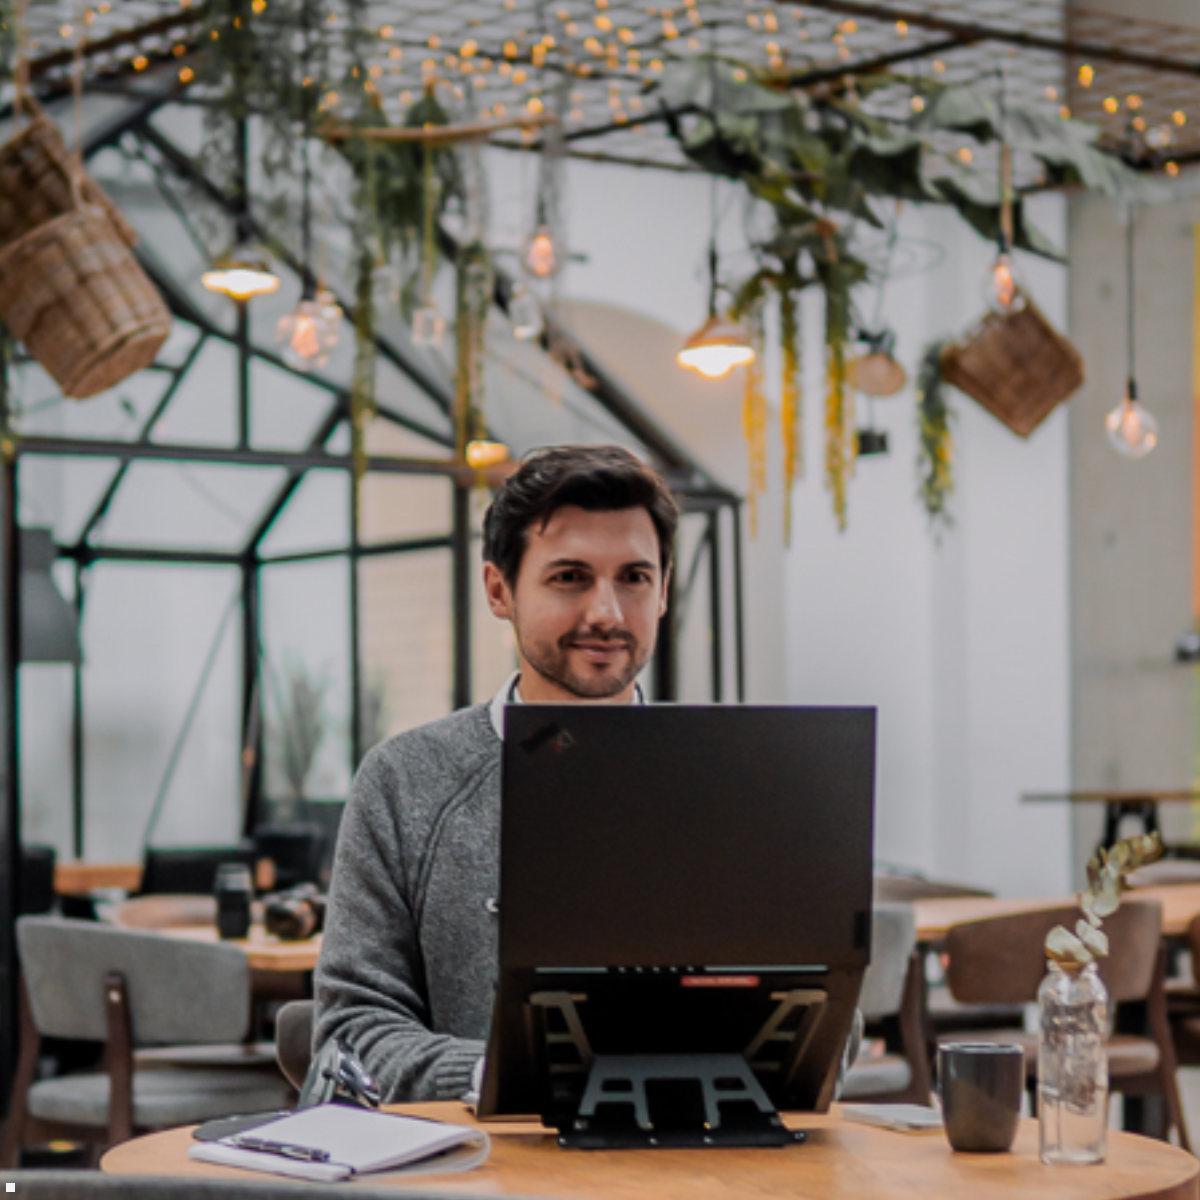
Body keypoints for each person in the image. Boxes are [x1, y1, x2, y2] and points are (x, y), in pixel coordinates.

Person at [313, 443, 678, 1101]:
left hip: (706, 1160)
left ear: (664, 590)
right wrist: (511, 1078)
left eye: (634, 577)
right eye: (570, 577)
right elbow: (351, 1033)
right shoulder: (406, 780)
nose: (607, 614)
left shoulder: (728, 781)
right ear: (499, 589)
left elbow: (831, 1017)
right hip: (480, 1171)